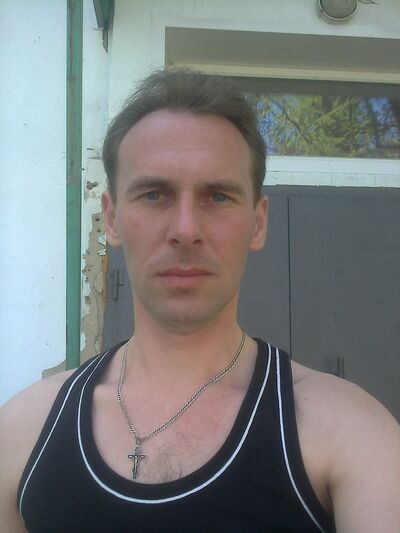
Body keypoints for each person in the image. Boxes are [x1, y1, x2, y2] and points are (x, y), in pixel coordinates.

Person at [1, 70, 399, 533]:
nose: (186, 230)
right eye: (154, 194)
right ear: (112, 219)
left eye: (218, 196)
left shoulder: (348, 430)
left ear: (257, 223)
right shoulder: (23, 430)